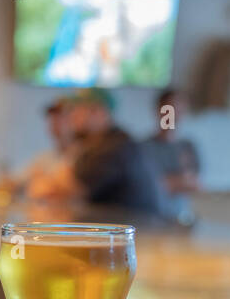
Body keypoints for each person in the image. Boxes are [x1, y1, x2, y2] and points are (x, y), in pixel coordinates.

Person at [66, 89, 166, 217]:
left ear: (99, 112)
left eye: (78, 110)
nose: (72, 117)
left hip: (138, 232)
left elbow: (74, 189)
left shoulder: (116, 146)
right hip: (117, 228)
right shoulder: (96, 145)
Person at [142, 87, 202, 224]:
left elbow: (196, 184)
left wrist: (166, 182)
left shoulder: (188, 147)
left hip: (180, 218)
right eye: (170, 108)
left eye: (179, 109)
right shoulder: (144, 148)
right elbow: (147, 186)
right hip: (150, 218)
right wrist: (180, 180)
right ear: (159, 110)